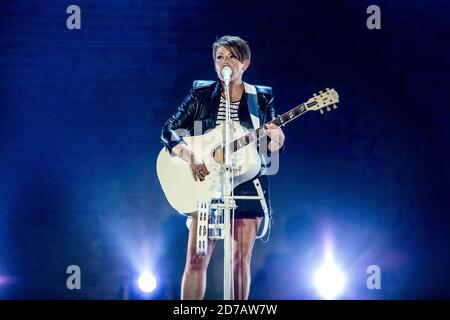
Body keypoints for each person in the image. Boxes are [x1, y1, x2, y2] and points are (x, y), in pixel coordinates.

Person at [161, 35, 285, 300]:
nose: (225, 62)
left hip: (247, 184)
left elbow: (268, 146)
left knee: (240, 263)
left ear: (245, 63)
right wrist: (191, 156)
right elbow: (169, 131)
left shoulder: (261, 97)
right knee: (196, 259)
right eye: (220, 57)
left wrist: (277, 142)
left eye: (232, 57)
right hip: (208, 185)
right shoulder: (201, 92)